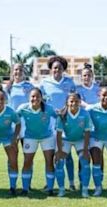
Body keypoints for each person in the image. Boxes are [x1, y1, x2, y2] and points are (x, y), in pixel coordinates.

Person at [40, 56, 77, 191]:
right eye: (55, 68)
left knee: (67, 155)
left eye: (60, 68)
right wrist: (51, 110)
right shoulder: (44, 83)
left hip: (66, 121)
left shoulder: (70, 82)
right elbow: (41, 100)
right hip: (50, 123)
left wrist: (65, 110)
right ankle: (49, 182)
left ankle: (71, 183)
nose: (57, 70)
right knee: (50, 155)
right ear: (51, 69)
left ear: (63, 69)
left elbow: (74, 100)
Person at [16, 88, 57, 196]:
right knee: (27, 162)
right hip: (30, 137)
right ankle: (25, 188)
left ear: (41, 98)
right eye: (33, 96)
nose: (35, 99)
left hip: (47, 137)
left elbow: (59, 116)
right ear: (29, 98)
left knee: (49, 162)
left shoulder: (48, 108)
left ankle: (50, 188)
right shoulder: (23, 108)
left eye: (37, 96)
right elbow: (14, 118)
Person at [55, 92, 92, 198]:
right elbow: (58, 133)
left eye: (76, 101)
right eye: (71, 101)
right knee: (59, 162)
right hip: (65, 140)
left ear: (80, 102)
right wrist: (59, 150)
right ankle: (61, 190)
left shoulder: (85, 114)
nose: (74, 103)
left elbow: (87, 132)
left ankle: (84, 190)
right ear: (67, 102)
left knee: (85, 161)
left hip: (80, 139)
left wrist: (85, 150)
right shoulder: (62, 114)